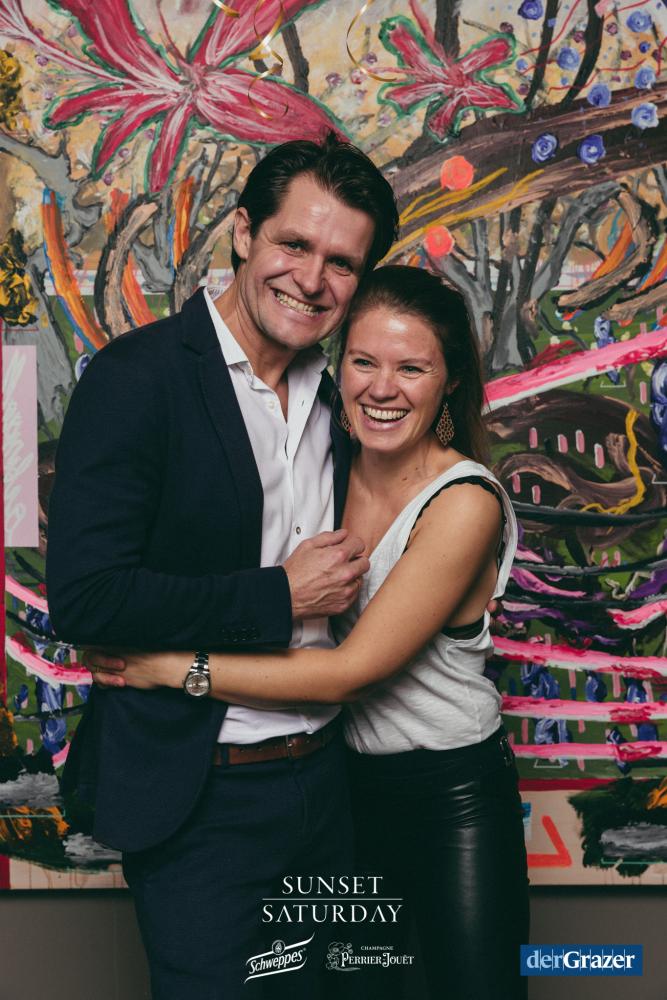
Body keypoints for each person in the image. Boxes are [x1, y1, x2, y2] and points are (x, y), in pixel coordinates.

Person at [91, 266, 530, 1000]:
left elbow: (348, 672)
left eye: (411, 368)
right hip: (342, 790)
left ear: (449, 381)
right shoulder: (325, 464)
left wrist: (173, 667)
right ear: (337, 365)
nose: (382, 388)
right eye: (363, 361)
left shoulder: (463, 502)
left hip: (449, 795)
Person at [45, 133, 399, 1000]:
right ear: (243, 233)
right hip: (202, 798)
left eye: (341, 263)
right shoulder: (138, 379)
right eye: (293, 244)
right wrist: (278, 596)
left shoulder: (346, 394)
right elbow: (88, 598)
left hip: (329, 784)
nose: (311, 280)